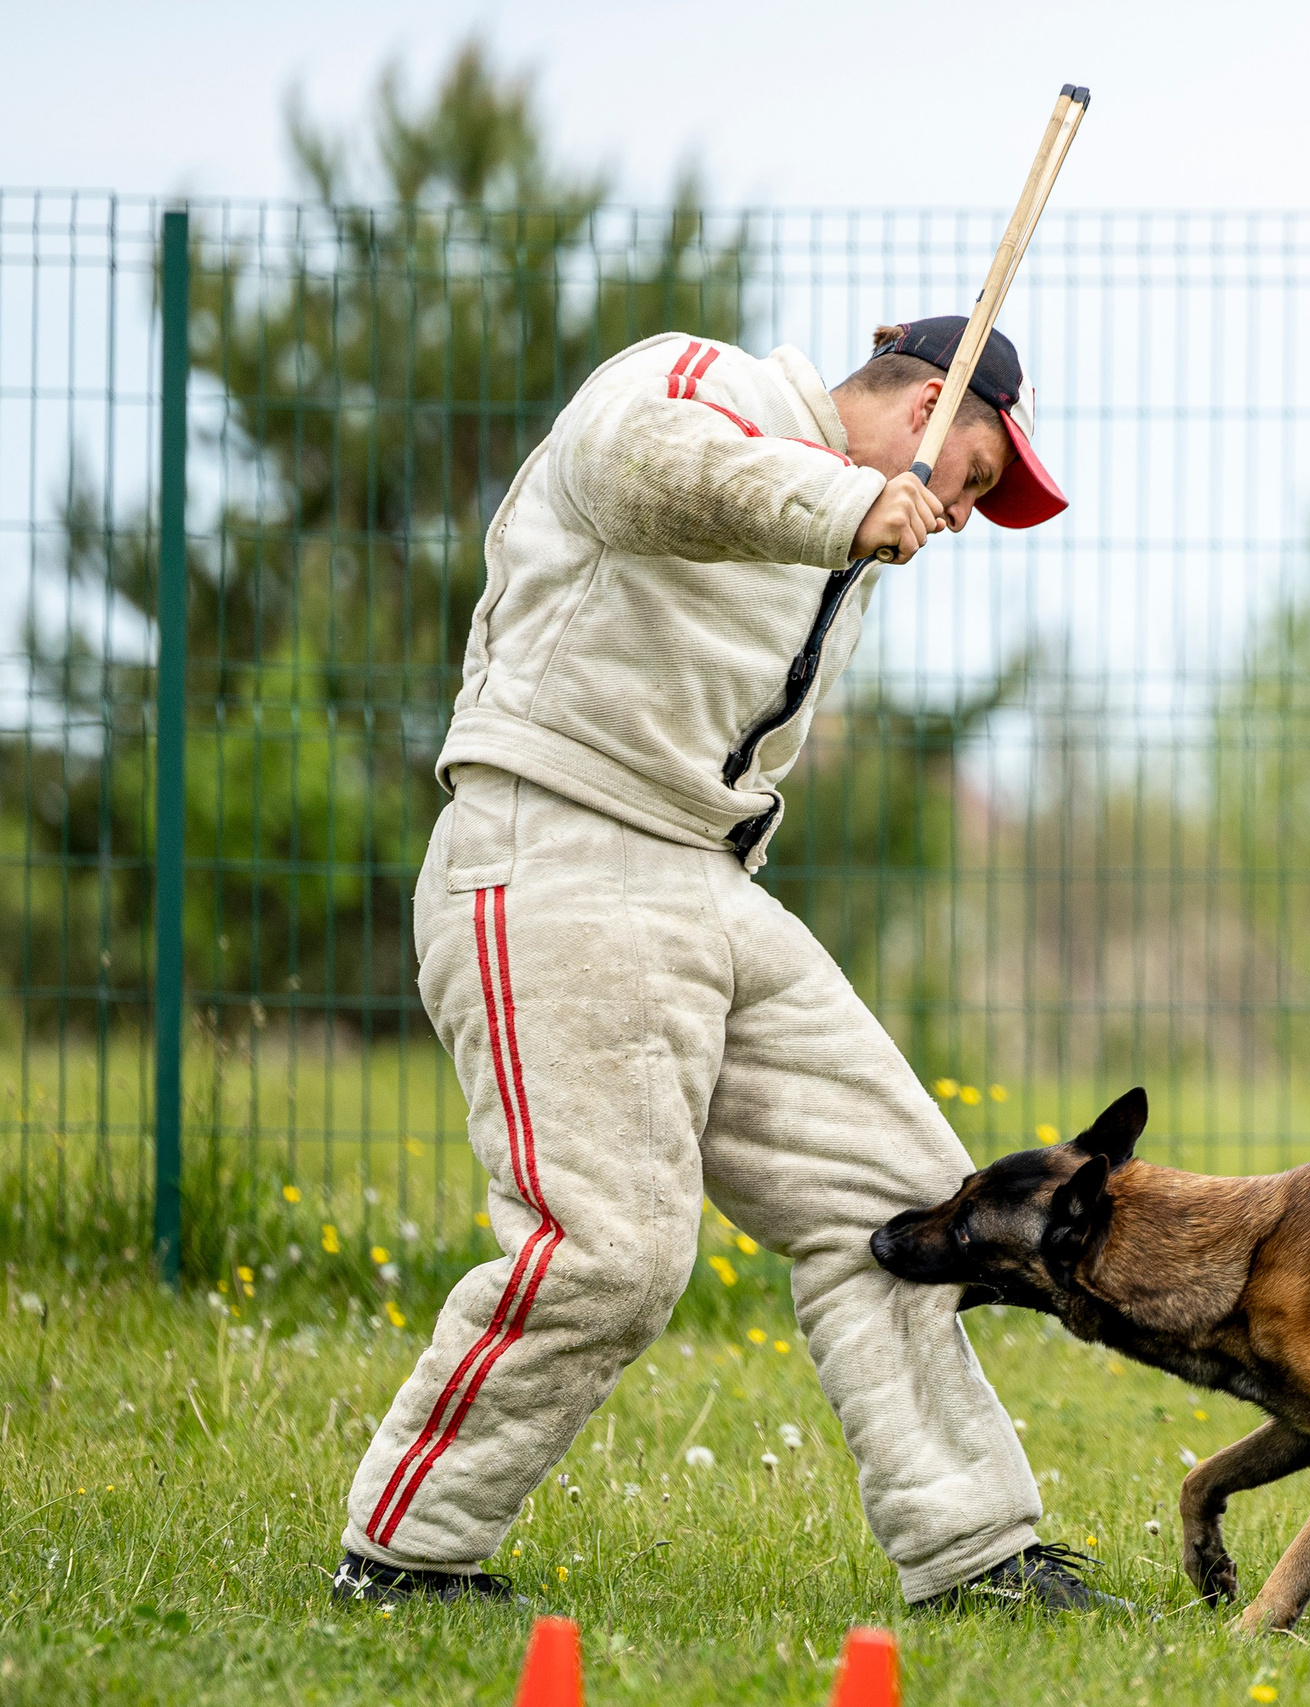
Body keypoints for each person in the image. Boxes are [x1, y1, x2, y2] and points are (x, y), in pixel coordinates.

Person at [328, 318, 1113, 1613]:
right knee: (610, 1256)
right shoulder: (701, 383)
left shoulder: (851, 528)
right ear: (925, 398)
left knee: (910, 1203)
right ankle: (406, 1555)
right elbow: (650, 470)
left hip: (711, 878)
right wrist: (854, 502)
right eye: (970, 476)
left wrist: (863, 514)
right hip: (559, 844)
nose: (962, 516)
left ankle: (977, 1553)